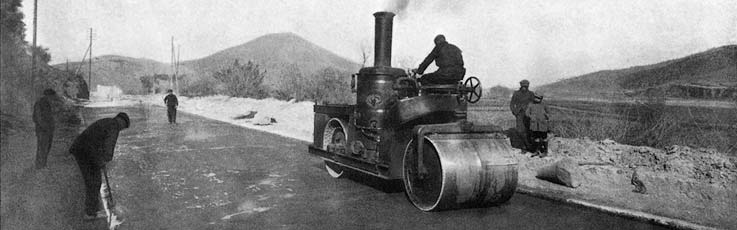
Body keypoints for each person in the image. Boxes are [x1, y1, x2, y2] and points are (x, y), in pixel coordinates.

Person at [68, 112, 130, 220]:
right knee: (93, 181)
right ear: (121, 121)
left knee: (93, 180)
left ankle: (92, 210)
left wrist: (101, 159)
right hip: (85, 152)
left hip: (83, 149)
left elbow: (99, 140)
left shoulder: (108, 122)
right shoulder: (114, 127)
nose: (122, 129)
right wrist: (104, 159)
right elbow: (109, 145)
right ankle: (90, 213)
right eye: (123, 127)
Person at [33, 89, 57, 169]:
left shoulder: (48, 103)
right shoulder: (39, 103)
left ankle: (43, 164)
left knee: (47, 147)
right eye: (51, 97)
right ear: (47, 96)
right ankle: (40, 166)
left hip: (48, 130)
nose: (52, 99)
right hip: (42, 130)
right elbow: (37, 118)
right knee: (42, 148)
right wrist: (45, 127)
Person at [510, 80, 535, 151]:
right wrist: (515, 112)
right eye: (523, 86)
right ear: (520, 86)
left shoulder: (531, 94)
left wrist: (532, 113)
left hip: (529, 115)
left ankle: (529, 146)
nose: (524, 88)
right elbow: (512, 104)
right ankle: (523, 146)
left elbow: (534, 104)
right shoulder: (516, 93)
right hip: (519, 114)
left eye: (526, 86)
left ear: (528, 86)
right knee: (520, 131)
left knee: (529, 130)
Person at [525, 92, 550, 157]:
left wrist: (545, 116)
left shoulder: (544, 104)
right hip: (534, 124)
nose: (536, 99)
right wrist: (531, 117)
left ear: (541, 99)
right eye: (535, 97)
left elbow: (549, 113)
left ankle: (545, 152)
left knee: (544, 138)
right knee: (536, 138)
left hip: (542, 124)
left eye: (538, 98)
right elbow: (527, 113)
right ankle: (537, 151)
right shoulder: (531, 104)